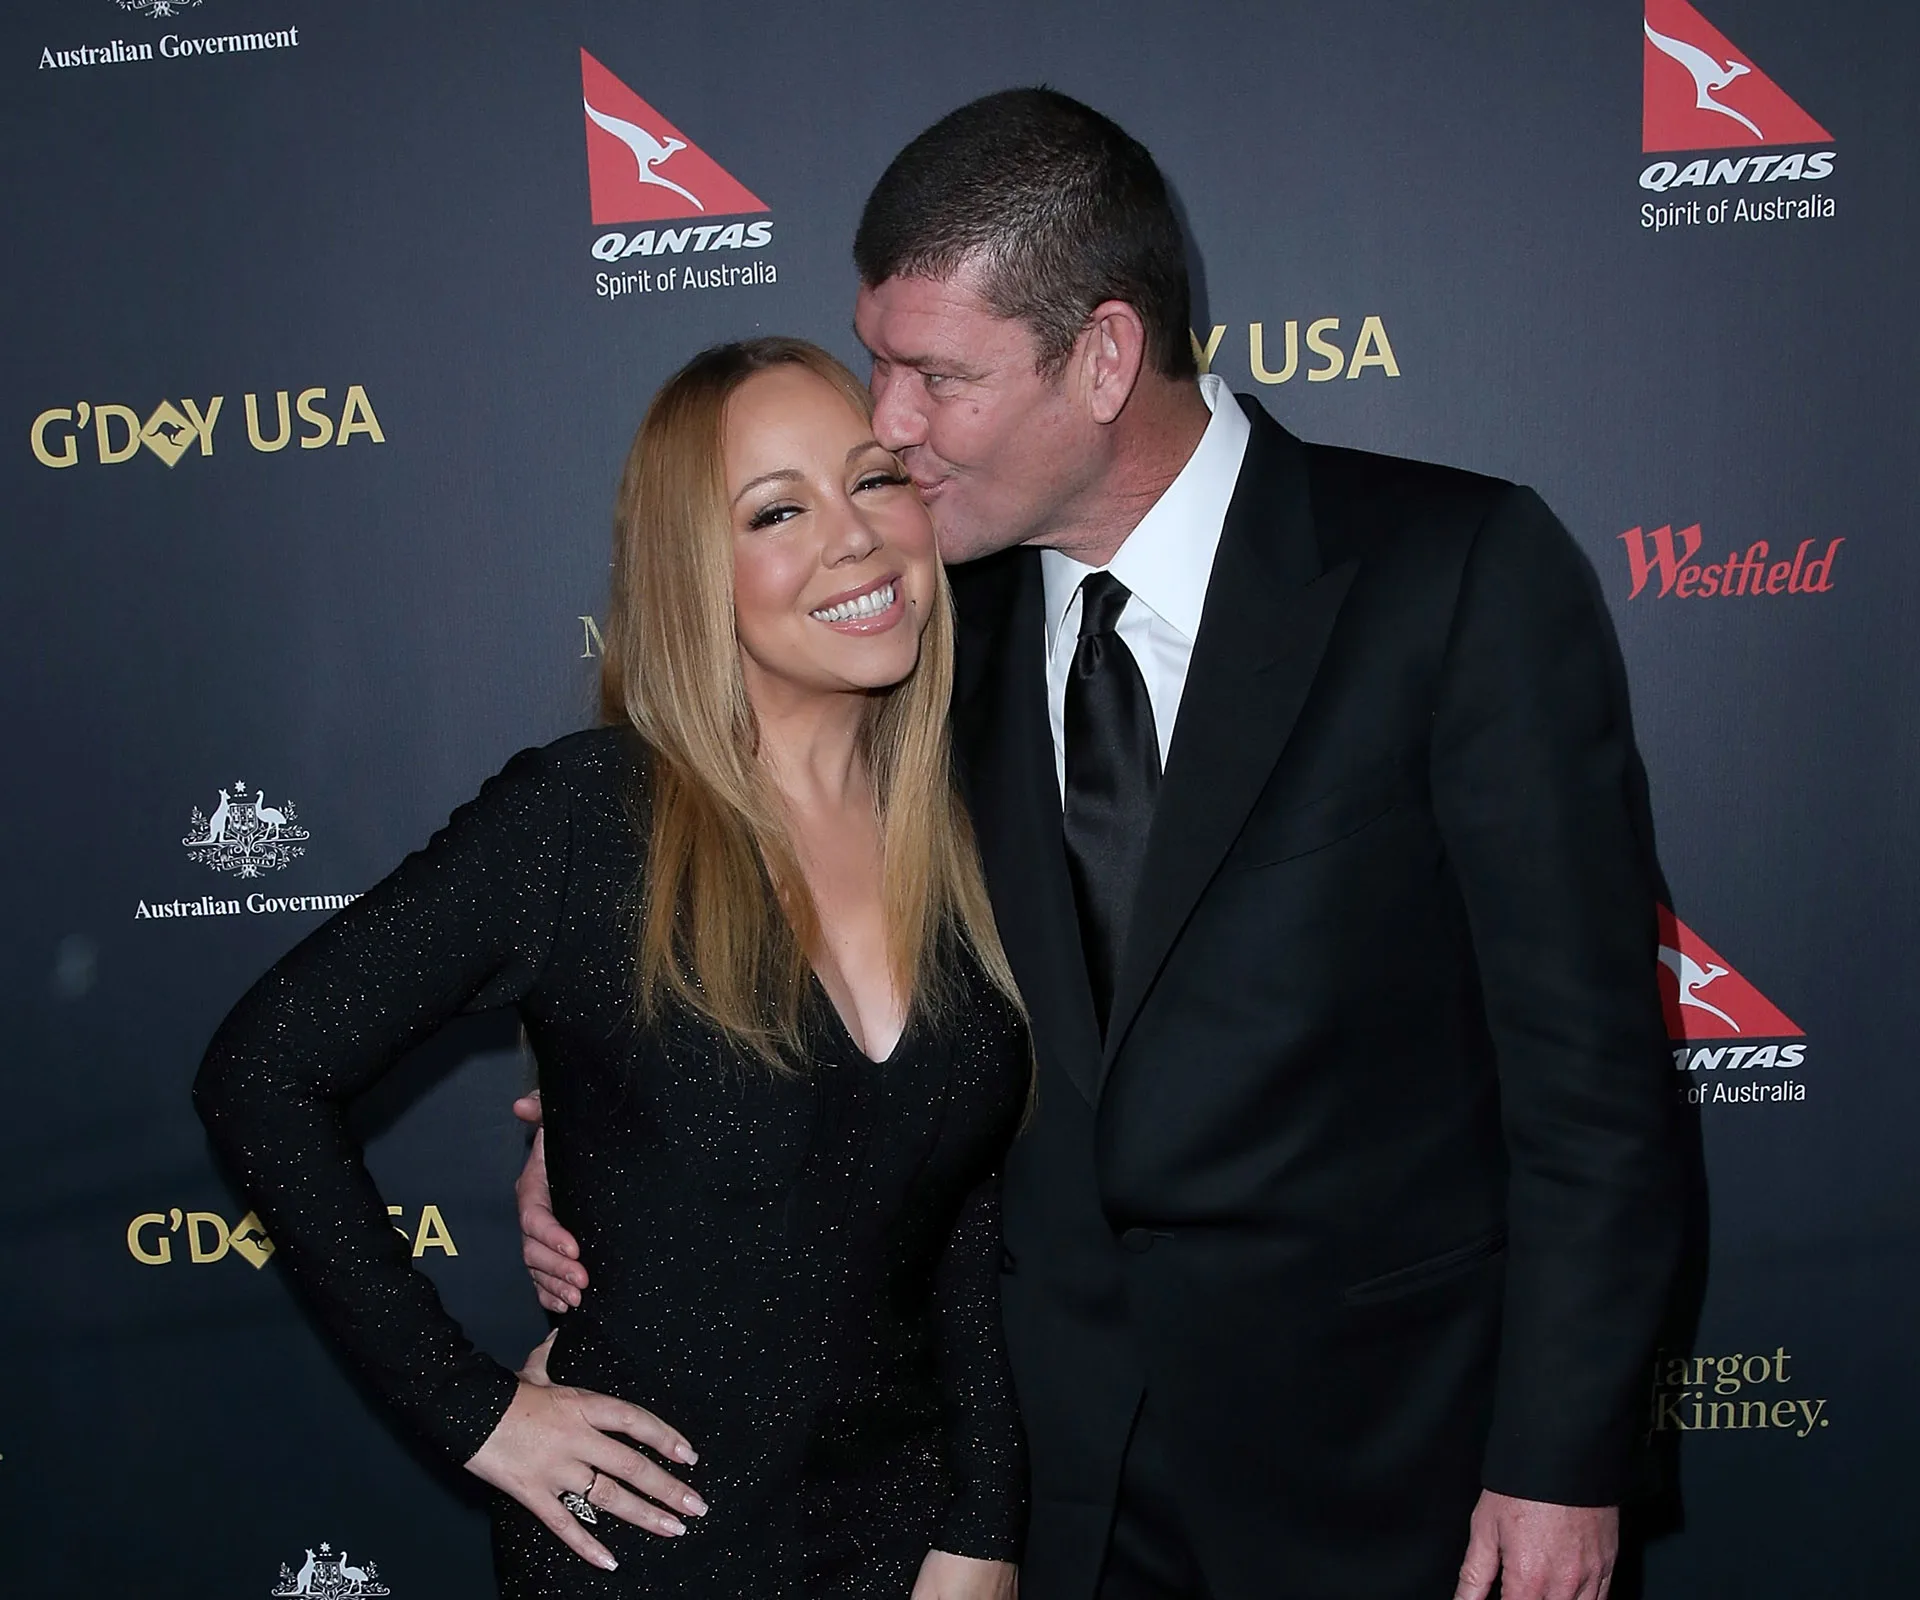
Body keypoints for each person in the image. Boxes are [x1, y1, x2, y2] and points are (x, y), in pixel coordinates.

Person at [519, 91, 1686, 1600]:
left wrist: (1561, 1463)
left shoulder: (1448, 578)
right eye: (878, 358)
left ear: (1105, 357)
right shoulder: (922, 636)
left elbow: (1591, 1084)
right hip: (1035, 1495)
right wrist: (581, 1130)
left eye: (938, 373)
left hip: (1395, 1474)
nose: (888, 422)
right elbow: (752, 899)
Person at [194, 338, 1030, 1599]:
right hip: (642, 1548)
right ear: (697, 570)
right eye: (778, 510)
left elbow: (962, 1217)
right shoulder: (586, 823)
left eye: (873, 482)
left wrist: (983, 1525)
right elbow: (260, 1072)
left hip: (905, 1548)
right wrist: (471, 1409)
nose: (854, 537)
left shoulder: (961, 829)